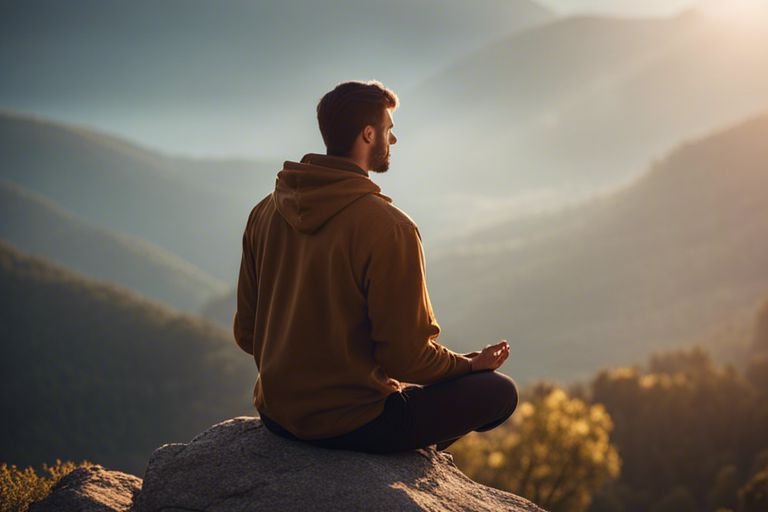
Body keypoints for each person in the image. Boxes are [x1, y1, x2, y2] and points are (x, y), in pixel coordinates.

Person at [233, 79, 518, 454]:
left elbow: (247, 334)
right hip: (352, 425)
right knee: (499, 393)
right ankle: (406, 456)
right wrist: (469, 367)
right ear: (368, 135)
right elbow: (405, 358)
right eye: (389, 130)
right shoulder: (390, 228)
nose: (393, 141)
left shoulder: (264, 211)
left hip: (278, 416)